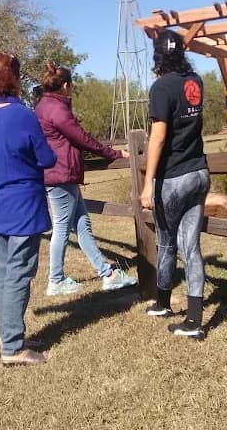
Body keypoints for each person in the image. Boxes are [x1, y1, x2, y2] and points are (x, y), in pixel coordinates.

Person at [0, 53, 57, 366]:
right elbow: (46, 158)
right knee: (18, 274)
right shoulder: (22, 115)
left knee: (3, 273)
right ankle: (13, 347)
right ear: (14, 79)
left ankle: (11, 336)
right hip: (22, 206)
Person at [35, 63, 138, 296]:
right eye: (71, 86)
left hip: (57, 174)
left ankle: (108, 274)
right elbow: (83, 139)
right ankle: (56, 279)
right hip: (61, 174)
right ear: (65, 86)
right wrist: (115, 153)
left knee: (82, 225)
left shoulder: (43, 106)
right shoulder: (57, 110)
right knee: (62, 228)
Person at [139, 30, 210, 339]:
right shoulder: (195, 82)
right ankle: (193, 317)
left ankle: (165, 304)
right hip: (200, 172)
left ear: (157, 57)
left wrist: (147, 183)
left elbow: (158, 137)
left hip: (174, 177)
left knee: (167, 243)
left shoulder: (160, 88)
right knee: (192, 248)